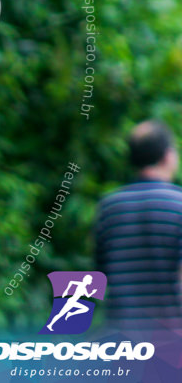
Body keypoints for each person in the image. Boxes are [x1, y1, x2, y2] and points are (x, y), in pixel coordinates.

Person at [94, 119, 182, 332]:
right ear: (168, 156)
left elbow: (101, 275)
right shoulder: (179, 205)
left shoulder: (108, 207)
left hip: (122, 338)